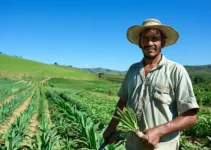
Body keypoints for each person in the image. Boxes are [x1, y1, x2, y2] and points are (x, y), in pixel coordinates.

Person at [103, 18, 199, 150]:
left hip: (162, 146)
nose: (150, 43)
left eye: (155, 38)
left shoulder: (175, 70)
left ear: (163, 42)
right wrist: (111, 127)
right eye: (145, 38)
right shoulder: (133, 70)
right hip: (132, 144)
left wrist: (159, 131)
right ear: (139, 42)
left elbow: (190, 116)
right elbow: (122, 101)